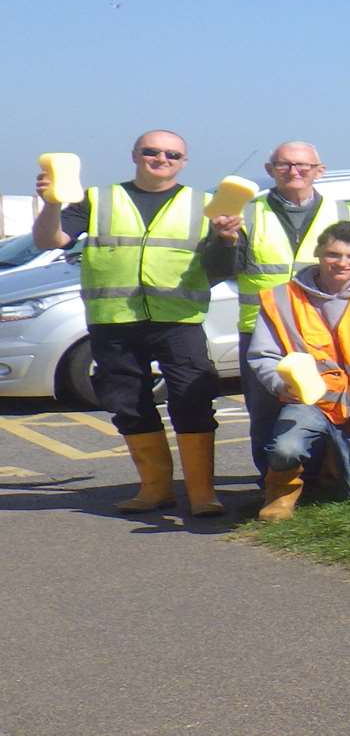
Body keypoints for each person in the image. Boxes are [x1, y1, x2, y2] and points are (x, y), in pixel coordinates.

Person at [33, 130, 225, 516]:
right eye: (152, 151)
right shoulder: (98, 199)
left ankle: (202, 493)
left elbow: (220, 270)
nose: (162, 159)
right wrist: (51, 204)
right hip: (115, 320)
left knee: (193, 400)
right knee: (129, 404)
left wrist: (225, 239)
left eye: (172, 154)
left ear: (184, 162)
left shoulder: (204, 205)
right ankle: (155, 490)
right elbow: (49, 240)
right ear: (135, 155)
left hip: (179, 321)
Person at [204, 140, 350, 483]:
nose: (295, 172)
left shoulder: (345, 212)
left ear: (320, 171)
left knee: (329, 404)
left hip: (325, 329)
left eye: (304, 166)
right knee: (266, 412)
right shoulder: (247, 211)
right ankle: (274, 484)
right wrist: (225, 240)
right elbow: (218, 270)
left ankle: (321, 477)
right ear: (269, 170)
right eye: (285, 165)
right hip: (262, 329)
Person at [246, 221, 350, 521]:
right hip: (310, 403)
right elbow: (263, 354)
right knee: (285, 449)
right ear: (319, 254)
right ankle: (280, 493)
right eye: (333, 254)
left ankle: (330, 466)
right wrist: (279, 385)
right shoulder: (281, 298)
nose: (342, 263)